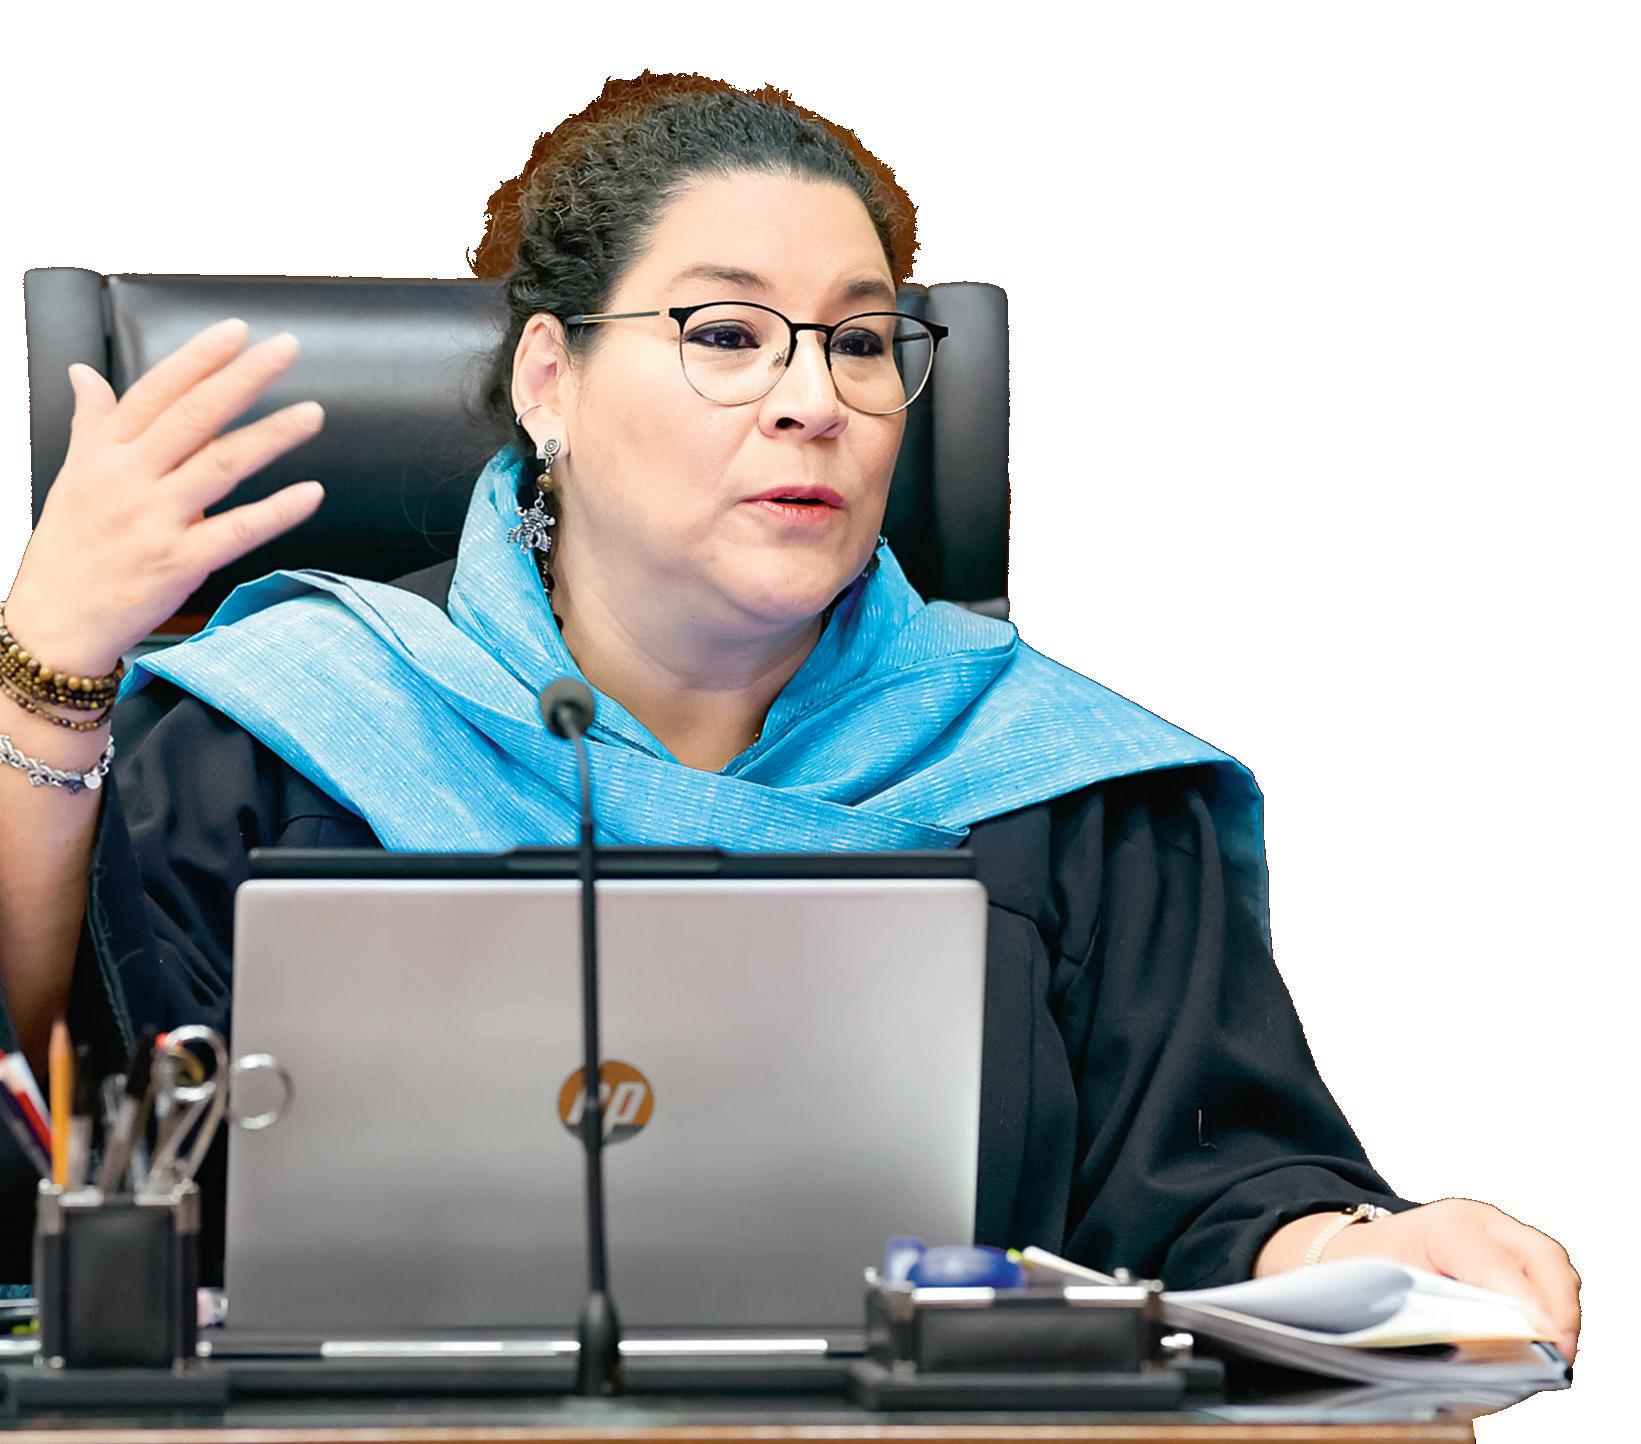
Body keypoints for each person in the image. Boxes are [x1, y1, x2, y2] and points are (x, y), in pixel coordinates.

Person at [0, 71, 1579, 1360]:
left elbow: (1208, 1193)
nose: (813, 398)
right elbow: (74, 1161)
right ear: (547, 381)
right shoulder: (275, 742)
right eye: (726, 334)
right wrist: (47, 674)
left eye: (862, 342)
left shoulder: (1065, 791)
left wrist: (1360, 1249)